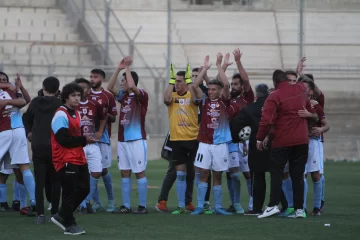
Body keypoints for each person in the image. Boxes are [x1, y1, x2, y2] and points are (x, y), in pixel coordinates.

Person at [256, 70, 316, 219]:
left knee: (276, 173)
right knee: (298, 175)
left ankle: (272, 206)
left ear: (275, 82)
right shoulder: (302, 89)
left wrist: (259, 138)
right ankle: (299, 210)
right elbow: (309, 109)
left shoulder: (274, 96)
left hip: (282, 140)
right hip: (302, 140)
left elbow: (266, 121)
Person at [50, 83, 97, 235]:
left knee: (84, 188)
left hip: (78, 157)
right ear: (65, 97)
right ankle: (69, 224)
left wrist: (83, 140)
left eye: (78, 95)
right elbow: (63, 139)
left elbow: (74, 137)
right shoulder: (61, 114)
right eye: (73, 95)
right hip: (65, 158)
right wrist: (84, 140)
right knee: (69, 192)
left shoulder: (75, 113)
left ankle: (61, 215)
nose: (77, 98)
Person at [191, 54, 232, 215]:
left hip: (220, 143)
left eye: (214, 89)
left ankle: (219, 207)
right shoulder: (205, 100)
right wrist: (205, 69)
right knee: (203, 173)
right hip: (205, 143)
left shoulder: (224, 100)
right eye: (210, 89)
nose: (211, 92)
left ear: (220, 91)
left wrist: (219, 66)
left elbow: (227, 84)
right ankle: (200, 205)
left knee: (217, 175)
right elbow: (195, 85)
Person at [107, 56, 149, 214]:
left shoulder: (141, 96)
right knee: (125, 172)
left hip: (137, 140)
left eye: (122, 81)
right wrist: (118, 68)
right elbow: (109, 87)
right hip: (123, 141)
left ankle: (143, 206)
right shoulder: (123, 97)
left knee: (139, 172)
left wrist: (127, 68)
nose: (121, 83)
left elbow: (131, 84)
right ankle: (126, 205)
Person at [22, 76, 62, 223]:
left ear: (43, 88)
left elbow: (26, 118)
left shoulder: (35, 102)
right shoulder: (60, 103)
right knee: (56, 180)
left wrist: (29, 132)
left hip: (38, 145)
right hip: (55, 146)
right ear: (57, 90)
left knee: (40, 181)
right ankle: (55, 212)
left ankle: (40, 214)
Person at [162, 63, 199, 214]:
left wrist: (190, 82)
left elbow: (197, 100)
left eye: (179, 81)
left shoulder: (191, 95)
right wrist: (170, 81)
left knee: (193, 173)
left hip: (193, 139)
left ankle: (193, 203)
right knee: (180, 174)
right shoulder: (172, 97)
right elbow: (165, 99)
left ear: (186, 82)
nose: (176, 84)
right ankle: (180, 205)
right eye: (175, 81)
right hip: (177, 140)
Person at [230, 83, 271, 216]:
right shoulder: (275, 106)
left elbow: (236, 123)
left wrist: (238, 138)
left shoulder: (250, 109)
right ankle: (281, 205)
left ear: (257, 95)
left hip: (257, 146)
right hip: (275, 145)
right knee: (278, 176)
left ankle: (257, 208)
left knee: (258, 177)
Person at [0, 71, 37, 217]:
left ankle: (30, 202)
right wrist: (11, 86)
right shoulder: (8, 90)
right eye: (0, 80)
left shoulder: (11, 93)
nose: (3, 82)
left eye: (5, 79)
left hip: (15, 130)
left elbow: (25, 101)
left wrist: (19, 88)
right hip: (6, 130)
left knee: (22, 168)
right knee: (20, 168)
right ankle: (31, 201)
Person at [226, 48, 254, 214]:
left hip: (246, 142)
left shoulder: (247, 98)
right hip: (231, 141)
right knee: (232, 174)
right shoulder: (228, 99)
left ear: (243, 87)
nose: (233, 86)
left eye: (236, 84)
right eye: (232, 84)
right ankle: (234, 203)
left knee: (248, 174)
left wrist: (237, 62)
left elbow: (246, 79)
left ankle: (252, 202)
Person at [75, 78, 107, 214]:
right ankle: (81, 203)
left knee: (97, 171)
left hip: (93, 143)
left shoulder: (94, 104)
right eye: (79, 88)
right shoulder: (72, 105)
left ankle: (86, 201)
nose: (82, 90)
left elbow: (104, 116)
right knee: (78, 174)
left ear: (89, 90)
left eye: (84, 88)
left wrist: (100, 131)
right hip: (78, 144)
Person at [298, 77, 330, 216]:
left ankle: (317, 207)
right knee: (301, 174)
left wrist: (320, 130)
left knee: (316, 175)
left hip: (313, 143)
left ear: (310, 91)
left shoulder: (315, 105)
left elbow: (326, 124)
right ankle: (302, 207)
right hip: (299, 142)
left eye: (305, 88)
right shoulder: (295, 105)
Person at [89, 68, 117, 212]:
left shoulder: (108, 96)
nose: (92, 79)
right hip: (87, 138)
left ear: (102, 79)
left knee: (103, 169)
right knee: (91, 170)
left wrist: (103, 114)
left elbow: (113, 116)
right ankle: (96, 202)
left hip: (103, 137)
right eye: (91, 76)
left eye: (95, 77)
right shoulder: (85, 95)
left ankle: (111, 201)